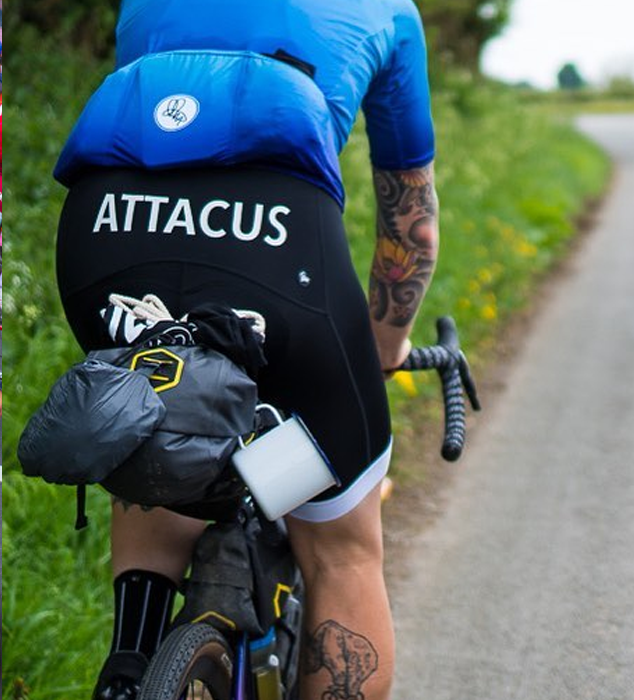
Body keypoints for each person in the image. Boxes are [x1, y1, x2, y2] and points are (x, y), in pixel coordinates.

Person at [52, 2, 439, 699]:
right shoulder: (390, 9)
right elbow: (411, 229)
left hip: (104, 237)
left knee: (161, 395)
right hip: (277, 247)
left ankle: (129, 665)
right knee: (342, 547)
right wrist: (382, 347)